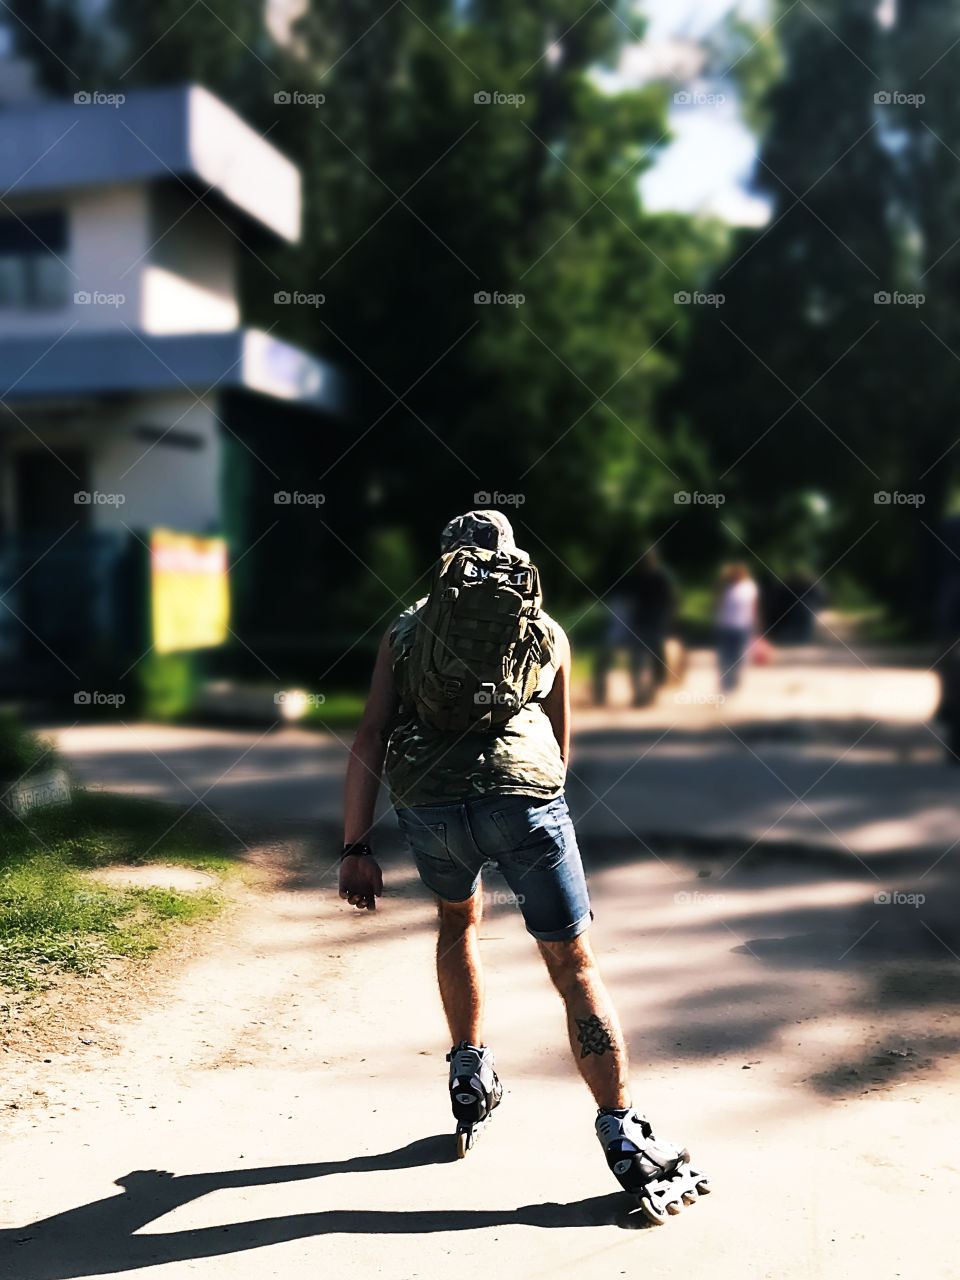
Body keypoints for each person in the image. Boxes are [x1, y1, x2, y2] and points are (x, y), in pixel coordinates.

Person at [339, 509, 707, 1223]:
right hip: (525, 801)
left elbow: (371, 733)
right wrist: (530, 812)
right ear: (512, 559)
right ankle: (622, 1132)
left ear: (443, 564)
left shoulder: (406, 629)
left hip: (431, 805)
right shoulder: (547, 629)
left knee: (456, 922)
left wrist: (356, 847)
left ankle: (469, 1071)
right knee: (574, 966)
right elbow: (562, 751)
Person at [593, 550, 676, 707]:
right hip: (639, 624)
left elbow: (669, 603)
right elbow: (627, 602)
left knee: (654, 662)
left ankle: (650, 692)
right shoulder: (635, 579)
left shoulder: (660, 579)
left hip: (655, 625)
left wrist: (669, 623)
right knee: (637, 661)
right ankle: (639, 694)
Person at [714, 562, 758, 694]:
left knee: (738, 656)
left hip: (743, 626)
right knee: (724, 656)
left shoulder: (749, 588)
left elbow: (754, 607)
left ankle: (734, 681)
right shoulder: (724, 587)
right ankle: (725, 682)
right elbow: (717, 604)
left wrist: (756, 625)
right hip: (725, 626)